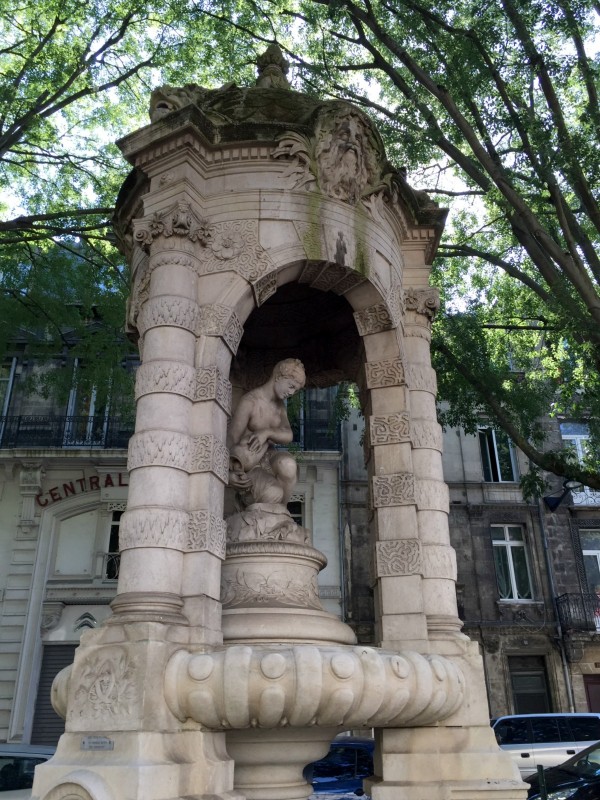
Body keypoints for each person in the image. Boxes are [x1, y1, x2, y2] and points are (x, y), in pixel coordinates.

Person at [227, 358, 305, 507]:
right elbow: (232, 438)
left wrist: (267, 433)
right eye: (291, 386)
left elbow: (288, 435)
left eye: (295, 390)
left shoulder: (279, 406)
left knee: (288, 465)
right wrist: (229, 473)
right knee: (272, 494)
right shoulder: (250, 401)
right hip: (248, 463)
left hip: (268, 457)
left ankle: (282, 512)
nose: (291, 393)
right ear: (279, 376)